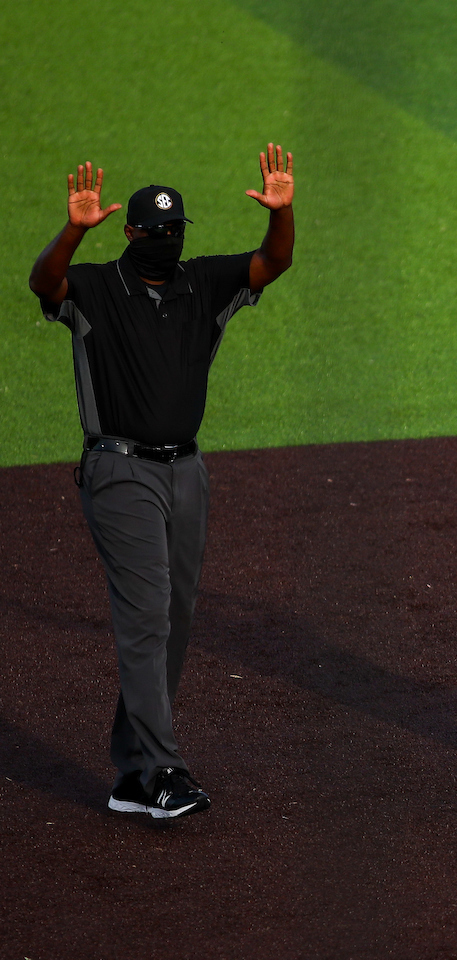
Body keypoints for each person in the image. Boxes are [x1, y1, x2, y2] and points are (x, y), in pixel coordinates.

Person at [28, 144, 295, 816]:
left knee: (173, 619)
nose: (168, 242)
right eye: (157, 233)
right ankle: (166, 770)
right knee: (146, 612)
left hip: (187, 471)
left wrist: (281, 215)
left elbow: (274, 262)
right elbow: (43, 284)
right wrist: (72, 231)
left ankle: (132, 771)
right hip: (118, 471)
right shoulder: (93, 288)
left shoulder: (201, 284)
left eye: (177, 232)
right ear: (131, 235)